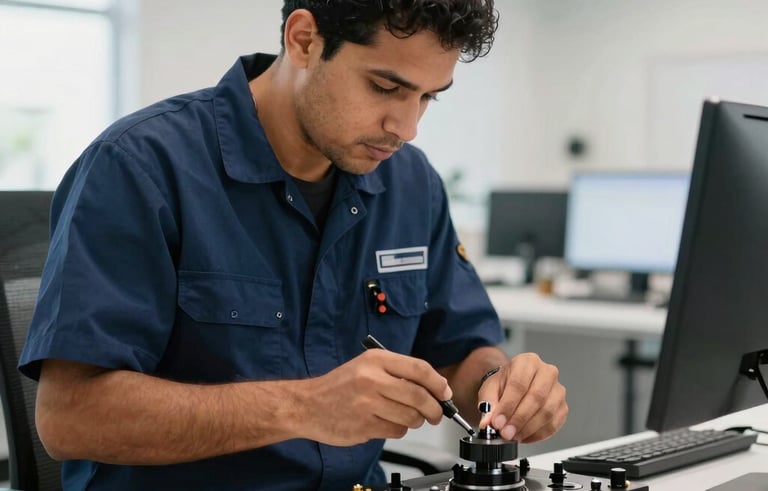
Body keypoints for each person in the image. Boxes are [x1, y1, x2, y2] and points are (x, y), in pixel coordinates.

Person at [19, 1, 568, 489]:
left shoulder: (412, 184)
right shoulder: (140, 166)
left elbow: (462, 353)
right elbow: (71, 418)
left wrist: (502, 388)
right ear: (304, 39)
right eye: (385, 87)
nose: (406, 126)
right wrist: (303, 407)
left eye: (428, 97)